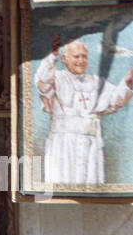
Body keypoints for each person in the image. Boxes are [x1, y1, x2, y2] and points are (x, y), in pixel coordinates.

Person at [35, 35, 133, 185]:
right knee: (63, 184)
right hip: (64, 144)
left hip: (91, 144)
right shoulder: (57, 78)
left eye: (84, 56)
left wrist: (127, 83)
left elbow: (115, 100)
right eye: (76, 56)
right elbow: (42, 82)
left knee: (90, 185)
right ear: (64, 58)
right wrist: (51, 57)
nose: (81, 60)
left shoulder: (96, 81)